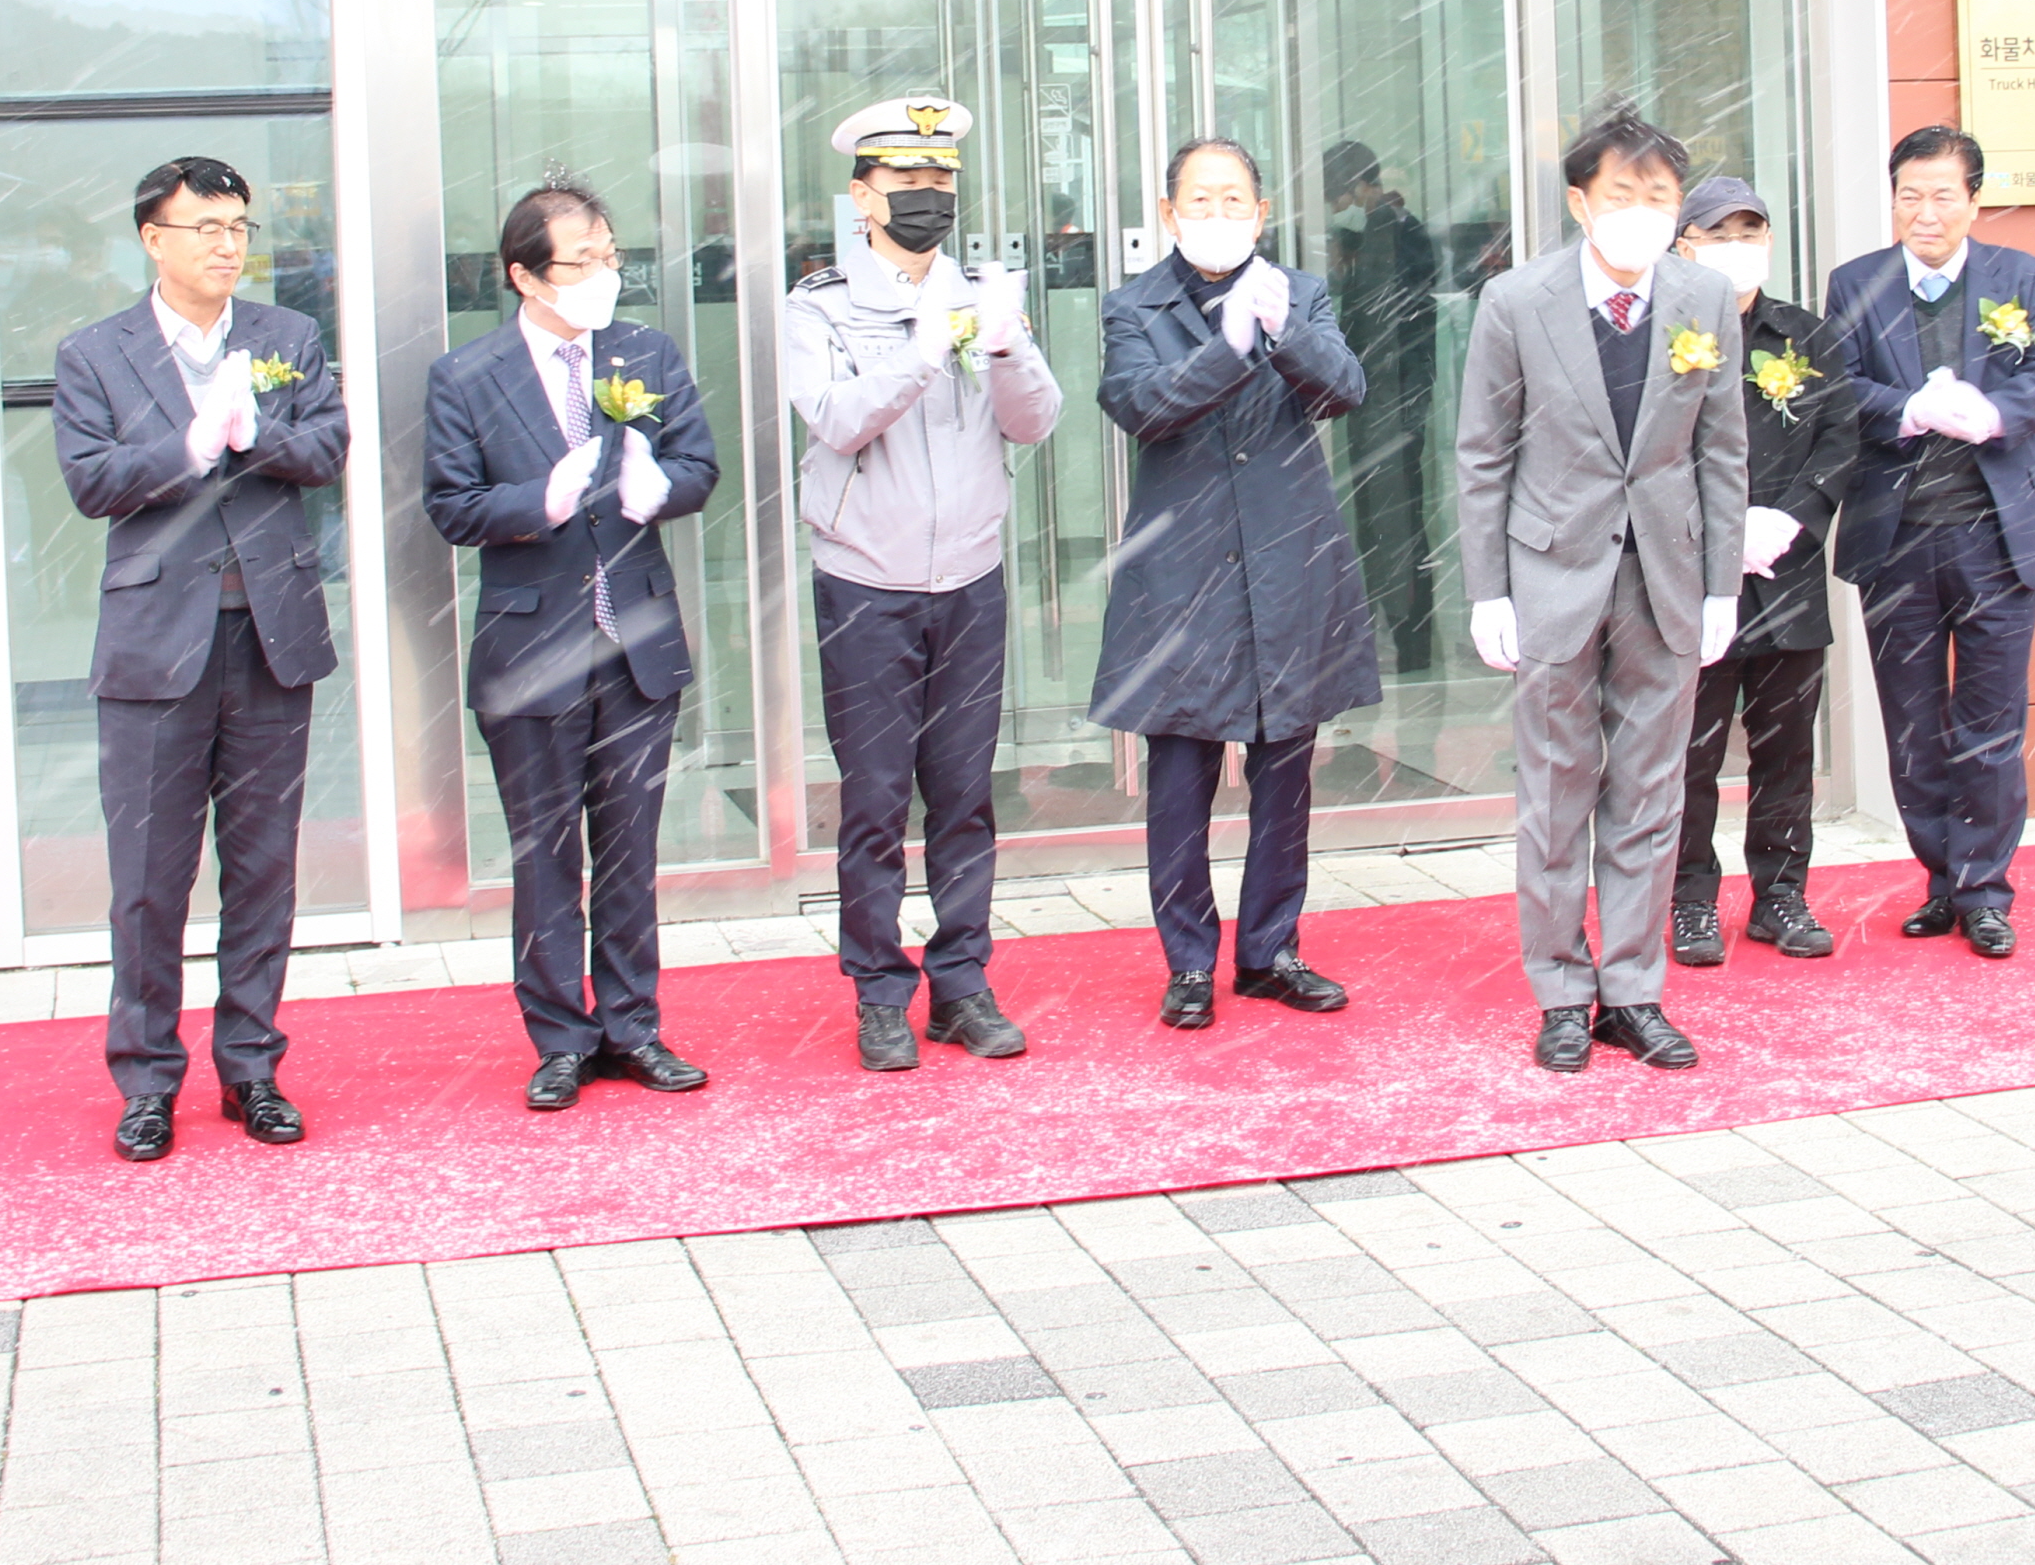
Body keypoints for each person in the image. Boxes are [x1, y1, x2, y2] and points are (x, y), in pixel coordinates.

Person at [51, 157, 349, 1163]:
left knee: (263, 868)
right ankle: (146, 1080)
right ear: (153, 238)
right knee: (148, 880)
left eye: (238, 227)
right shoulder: (96, 352)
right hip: (153, 647)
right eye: (206, 227)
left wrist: (255, 434)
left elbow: (328, 450)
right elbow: (91, 481)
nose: (228, 245)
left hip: (270, 635)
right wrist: (187, 445)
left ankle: (251, 1066)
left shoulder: (286, 336)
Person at [1454, 109, 1749, 1073]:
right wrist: (1489, 590)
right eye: (1622, 193)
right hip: (1551, 573)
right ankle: (1560, 992)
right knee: (1554, 791)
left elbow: (1722, 452)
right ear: (1581, 202)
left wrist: (1720, 586)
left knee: (1652, 793)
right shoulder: (1516, 300)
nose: (1640, 211)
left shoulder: (1704, 297)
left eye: (1659, 196)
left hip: (1665, 575)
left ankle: (1631, 989)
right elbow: (1484, 453)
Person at [422, 180, 724, 1110]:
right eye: (581, 260)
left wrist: (658, 487)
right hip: (531, 649)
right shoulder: (466, 375)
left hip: (634, 638)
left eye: (609, 255)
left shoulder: (646, 351)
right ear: (525, 275)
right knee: (545, 853)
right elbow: (451, 505)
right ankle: (560, 1037)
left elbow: (699, 464)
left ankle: (633, 1026)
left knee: (629, 849)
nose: (603, 274)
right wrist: (538, 502)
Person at [784, 96, 1064, 1072]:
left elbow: (1034, 421)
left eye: (941, 178)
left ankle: (962, 983)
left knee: (963, 795)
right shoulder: (819, 305)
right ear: (862, 195)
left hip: (969, 581)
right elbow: (836, 418)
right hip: (867, 585)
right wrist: (921, 349)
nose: (928, 195)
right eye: (906, 179)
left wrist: (1004, 345)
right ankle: (877, 990)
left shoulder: (980, 290)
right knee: (873, 800)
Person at [1091, 136, 1378, 1029]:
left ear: (1261, 212)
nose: (1217, 213)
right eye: (1199, 199)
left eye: (1234, 199)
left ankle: (1270, 951)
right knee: (1180, 778)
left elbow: (1344, 390)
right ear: (1169, 214)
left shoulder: (1302, 293)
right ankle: (1188, 961)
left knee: (1285, 772)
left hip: (1288, 563)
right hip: (1182, 576)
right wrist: (1227, 347)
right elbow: (1143, 407)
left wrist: (1285, 331)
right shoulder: (1133, 306)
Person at [1825, 125, 2035, 959]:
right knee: (1913, 724)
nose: (1925, 212)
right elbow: (1837, 385)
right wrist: (1907, 409)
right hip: (1897, 537)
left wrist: (1996, 413)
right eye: (1910, 194)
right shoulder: (1856, 282)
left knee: (1991, 722)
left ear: (1974, 199)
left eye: (1942, 194)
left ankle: (1985, 890)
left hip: (1995, 536)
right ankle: (1943, 877)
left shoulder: (2018, 275)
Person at [1668, 175, 1858, 966]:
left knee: (1787, 750)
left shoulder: (1807, 337)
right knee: (1690, 753)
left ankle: (1781, 894)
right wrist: (1718, 529)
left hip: (1788, 572)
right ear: (1685, 248)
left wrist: (1794, 518)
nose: (1737, 247)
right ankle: (1688, 900)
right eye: (1718, 235)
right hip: (1692, 579)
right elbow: (1645, 454)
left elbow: (1841, 436)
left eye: (1750, 232)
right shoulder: (1662, 335)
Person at [1324, 140, 1446, 674]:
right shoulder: (1386, 230)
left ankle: (1408, 641)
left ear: (1357, 188)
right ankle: (1395, 636)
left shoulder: (1390, 233)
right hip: (1384, 400)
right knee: (1385, 521)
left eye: (1337, 198)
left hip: (1389, 401)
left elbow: (1378, 324)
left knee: (1393, 524)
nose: (1335, 210)